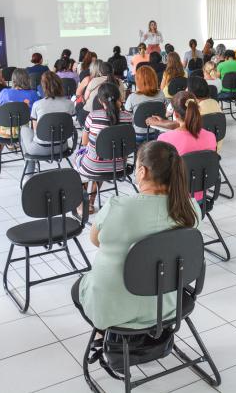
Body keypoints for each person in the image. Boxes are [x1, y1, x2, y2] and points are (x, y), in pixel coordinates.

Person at [73, 140, 200, 332]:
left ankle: (102, 337)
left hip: (112, 310)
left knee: (83, 283)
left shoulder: (117, 206)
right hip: (166, 306)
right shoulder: (190, 208)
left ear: (143, 171)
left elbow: (95, 240)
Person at [75, 83, 134, 213]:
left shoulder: (92, 116)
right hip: (119, 166)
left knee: (79, 158)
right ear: (119, 98)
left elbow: (84, 142)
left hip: (94, 166)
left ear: (101, 101)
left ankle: (84, 203)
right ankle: (89, 201)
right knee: (103, 158)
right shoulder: (128, 117)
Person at [149, 91, 217, 187]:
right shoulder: (211, 136)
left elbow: (161, 172)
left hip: (177, 197)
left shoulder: (164, 138)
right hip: (202, 193)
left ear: (176, 115)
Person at [0, 69, 39, 171]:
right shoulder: (33, 94)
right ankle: (25, 158)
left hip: (2, 131)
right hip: (24, 132)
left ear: (13, 81)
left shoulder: (5, 92)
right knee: (11, 125)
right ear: (28, 80)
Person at [20, 71, 76, 159]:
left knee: (23, 128)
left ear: (43, 87)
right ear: (60, 85)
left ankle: (30, 169)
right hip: (62, 147)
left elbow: (36, 130)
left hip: (39, 149)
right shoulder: (70, 104)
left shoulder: (37, 104)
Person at [124, 65, 166, 142]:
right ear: (154, 79)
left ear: (138, 81)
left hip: (138, 135)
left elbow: (127, 117)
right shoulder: (161, 94)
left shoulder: (132, 97)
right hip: (157, 133)